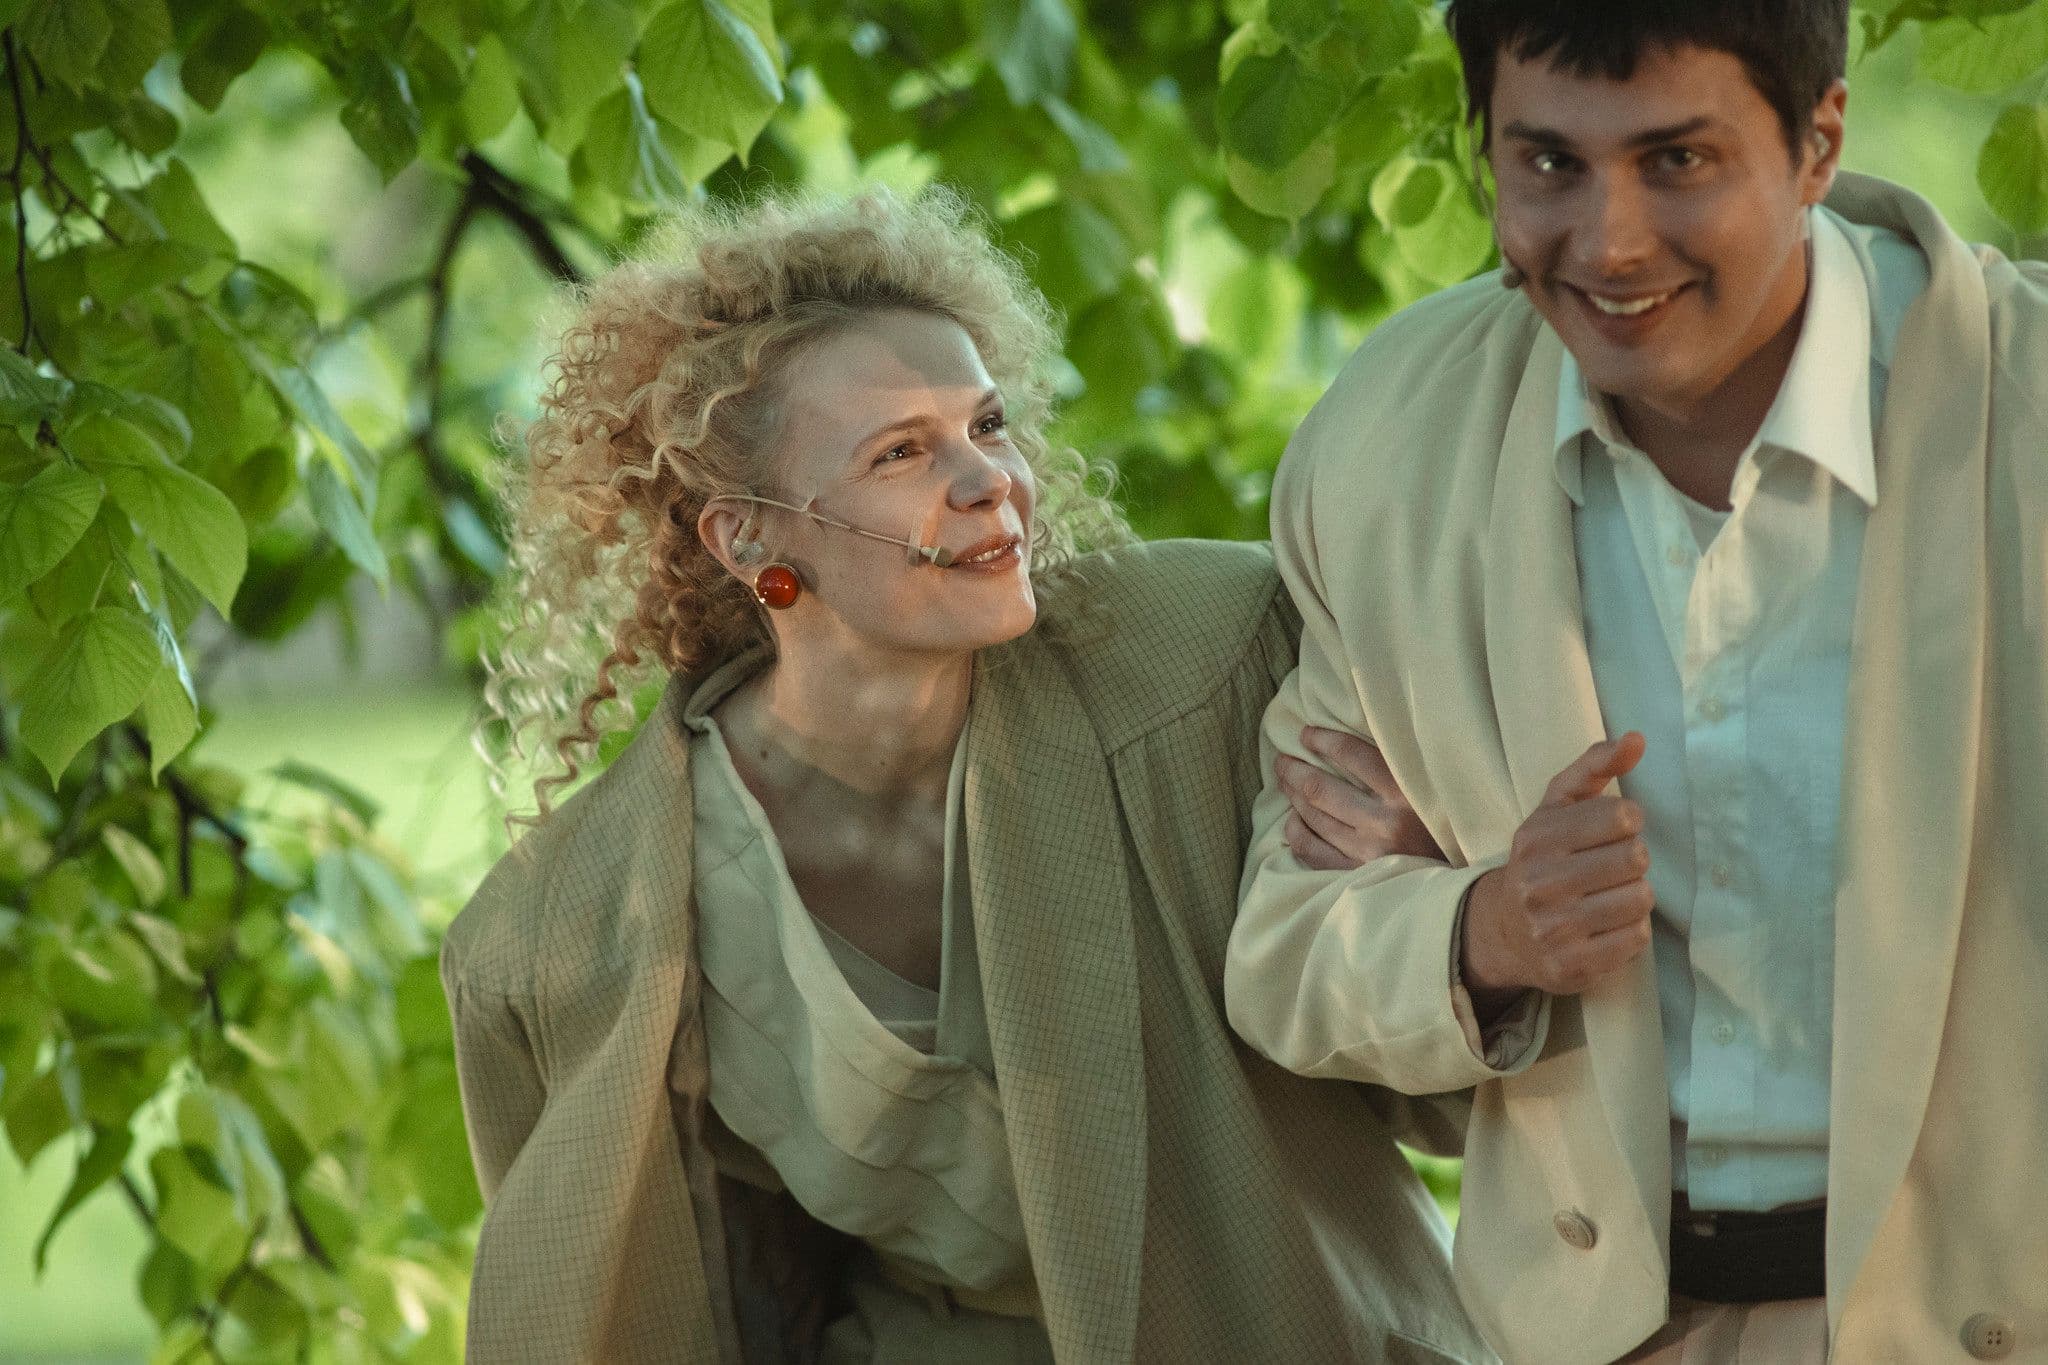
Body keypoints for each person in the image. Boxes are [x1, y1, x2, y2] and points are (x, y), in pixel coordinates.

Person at [441, 188, 1490, 1363]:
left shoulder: (1215, 661)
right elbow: (627, 1299)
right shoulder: (562, 940)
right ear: (748, 537)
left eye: (987, 425)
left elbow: (1458, 1098)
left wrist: (1417, 904)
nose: (989, 479)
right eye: (899, 451)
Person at [1227, 1, 2048, 1361]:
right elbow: (1285, 952)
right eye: (1549, 163)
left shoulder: (2027, 409)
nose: (1608, 243)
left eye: (1676, 161)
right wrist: (1482, 931)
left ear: (1818, 142)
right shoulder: (1386, 447)